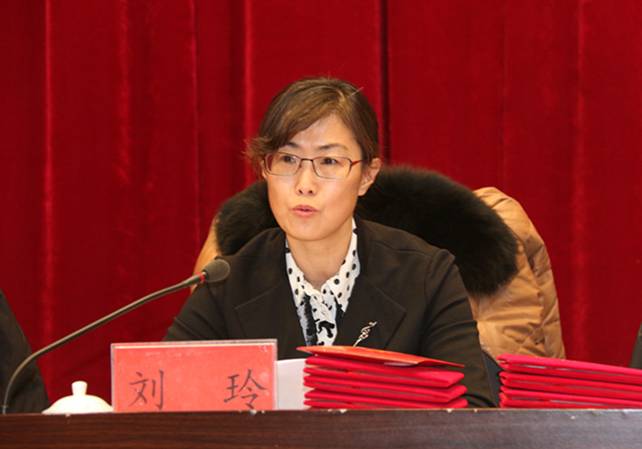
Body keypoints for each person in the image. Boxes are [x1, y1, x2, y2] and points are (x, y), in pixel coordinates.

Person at [165, 77, 494, 407]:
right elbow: (165, 403)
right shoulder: (226, 284)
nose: (305, 184)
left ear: (367, 176)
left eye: (329, 162)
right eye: (287, 159)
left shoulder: (427, 277)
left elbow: (474, 413)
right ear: (265, 168)